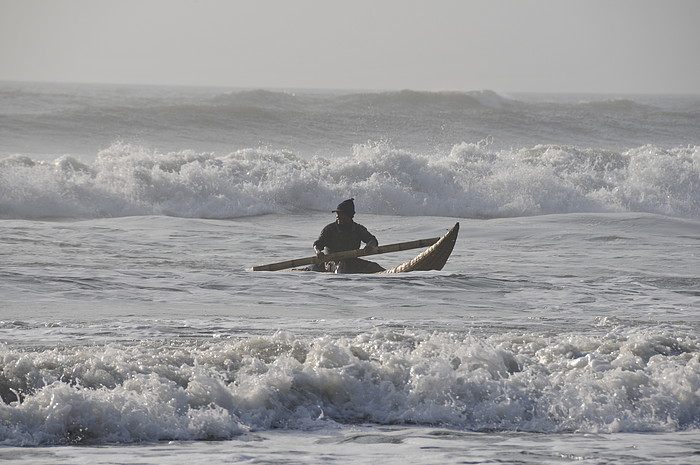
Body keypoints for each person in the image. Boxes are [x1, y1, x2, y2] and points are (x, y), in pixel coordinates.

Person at [310, 198, 385, 273]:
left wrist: (370, 246)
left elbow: (372, 240)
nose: (337, 216)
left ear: (349, 216)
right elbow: (317, 244)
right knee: (340, 266)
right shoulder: (329, 229)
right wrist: (318, 252)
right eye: (337, 214)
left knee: (374, 267)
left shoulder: (358, 229)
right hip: (332, 262)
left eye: (341, 214)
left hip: (352, 261)